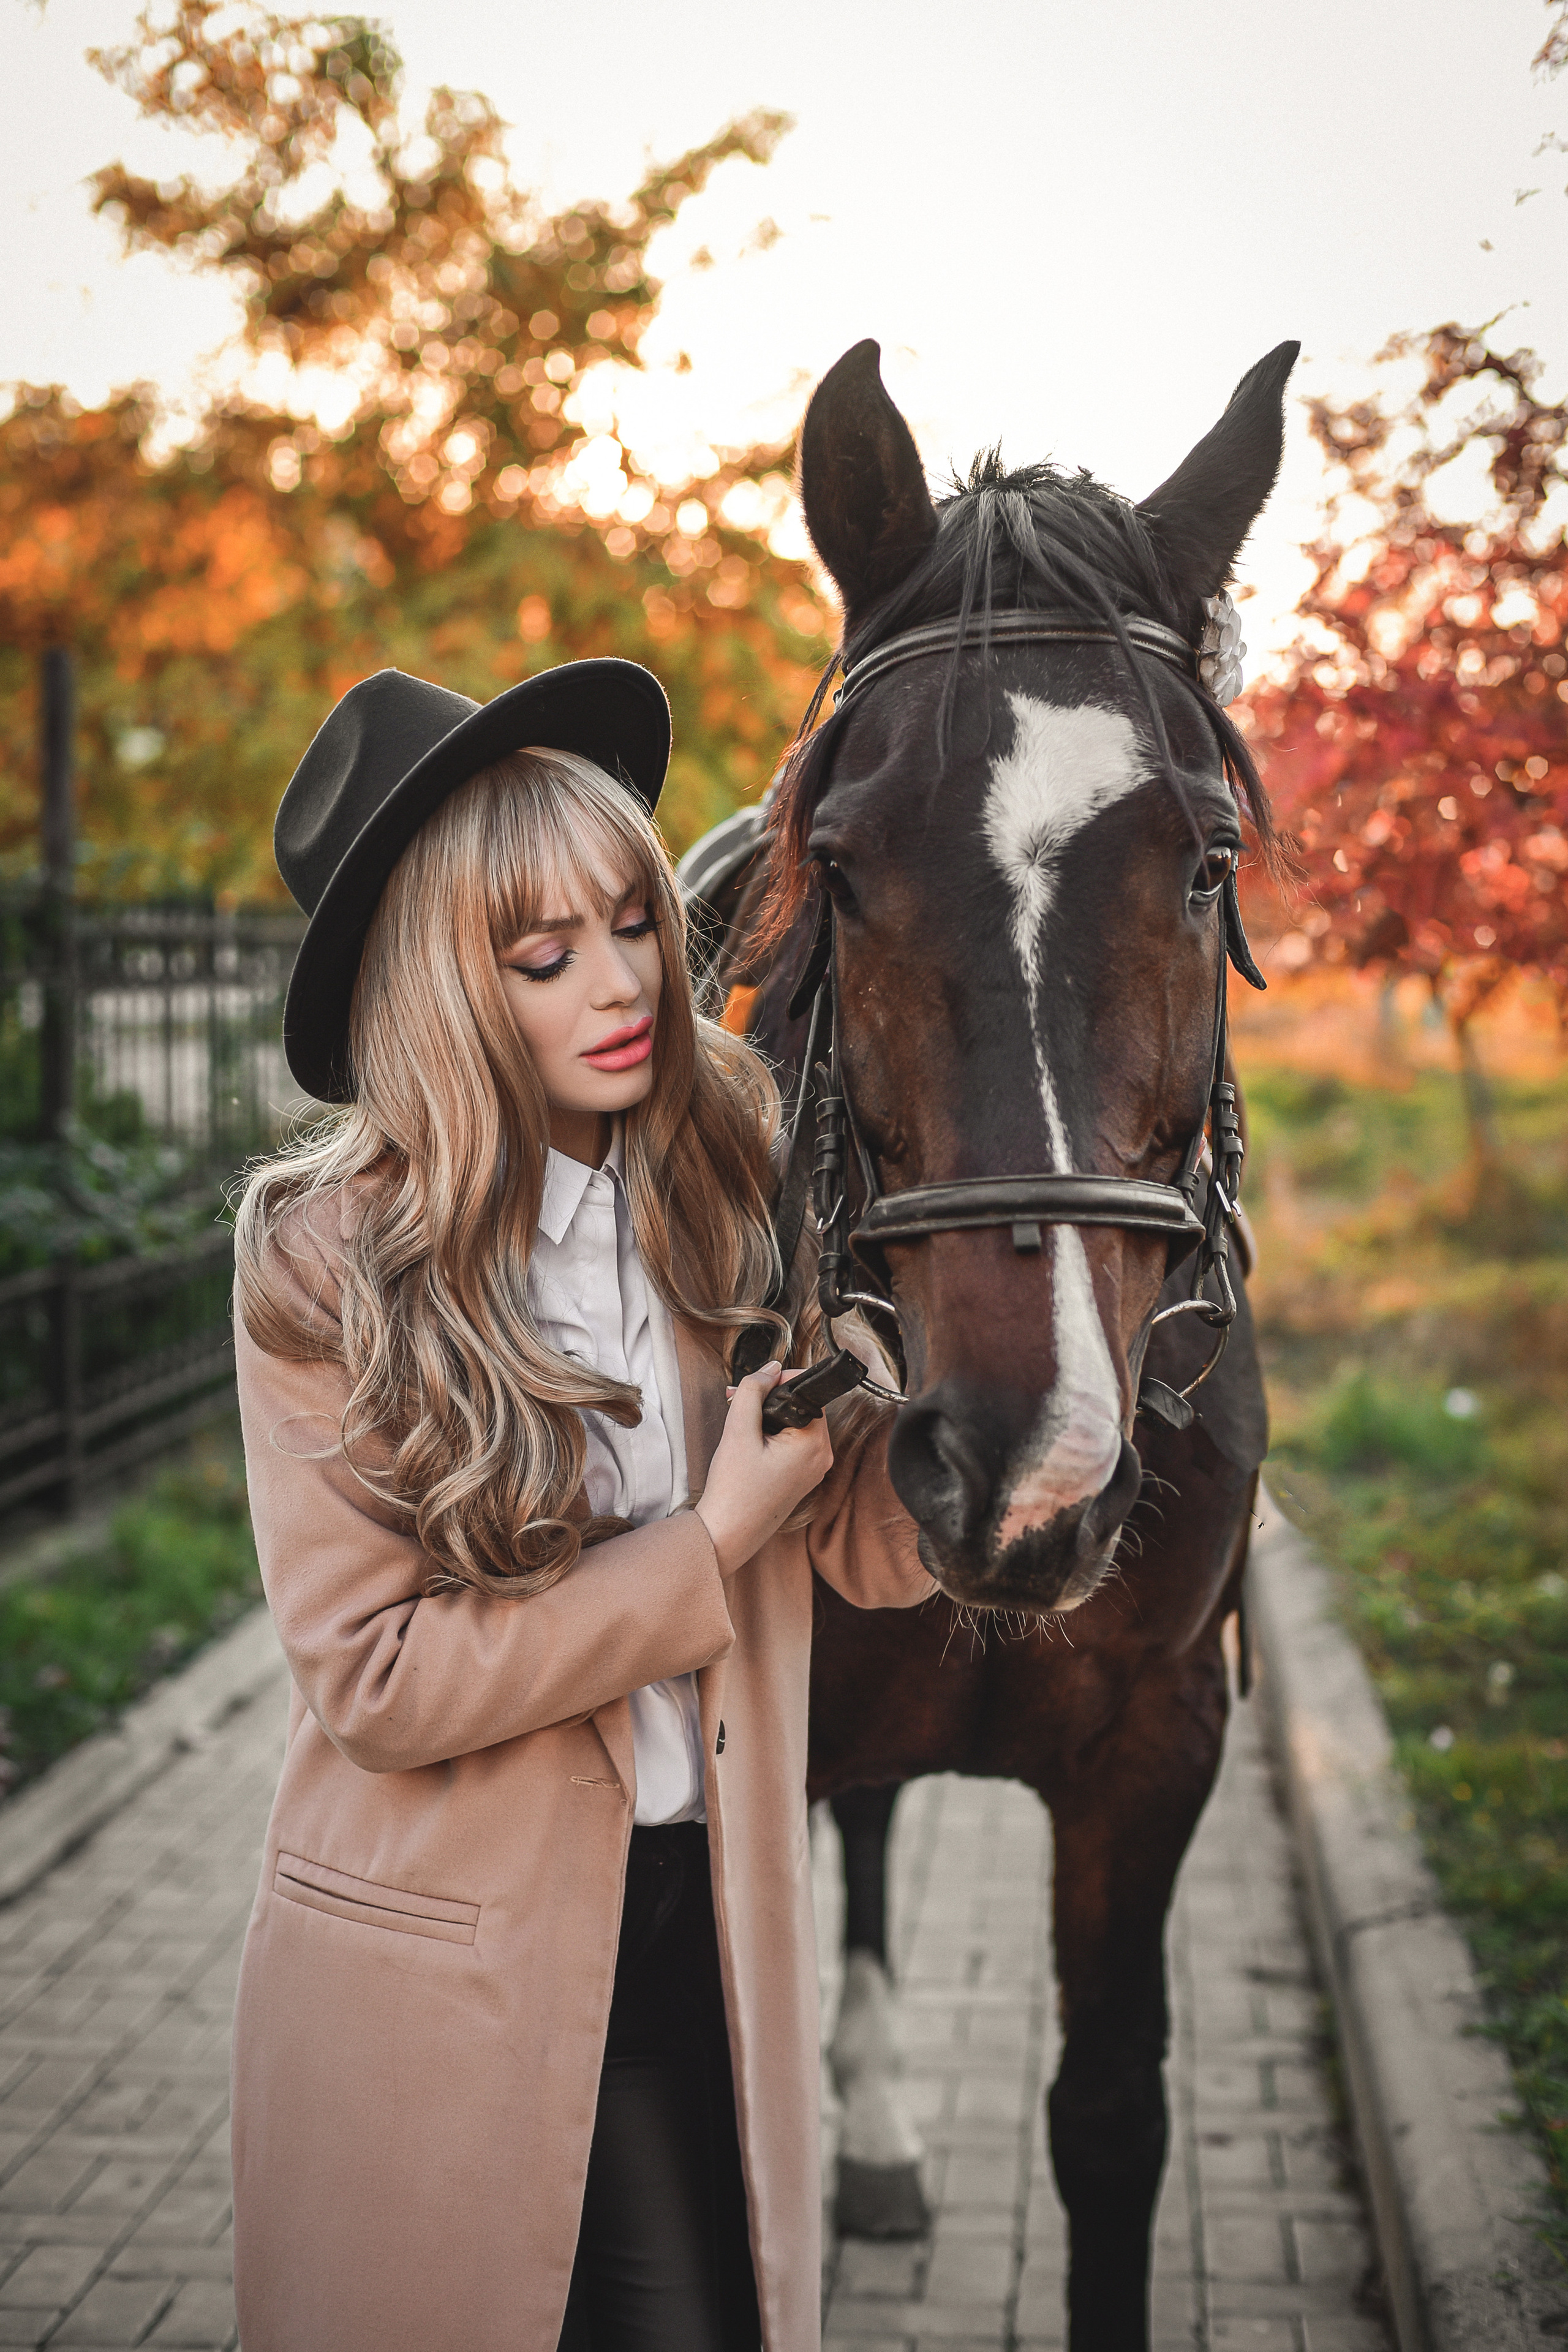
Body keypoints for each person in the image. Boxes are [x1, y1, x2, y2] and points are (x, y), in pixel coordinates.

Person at [228, 658, 932, 2352]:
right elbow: (379, 1683)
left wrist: (993, 1432)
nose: (622, 986)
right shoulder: (325, 1266)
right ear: (440, 990)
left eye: (633, 923)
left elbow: (852, 1535)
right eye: (543, 957)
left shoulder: (721, 1172)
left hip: (721, 1929)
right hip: (462, 1956)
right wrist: (708, 1544)